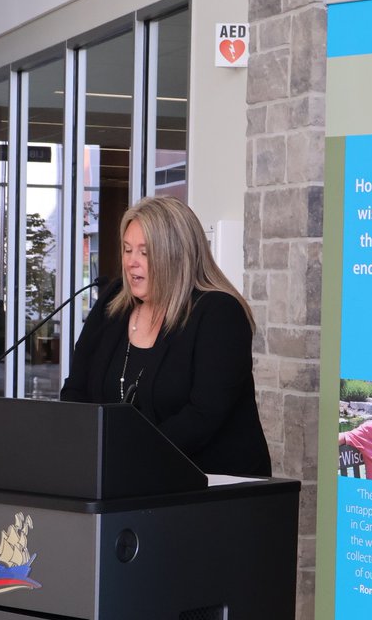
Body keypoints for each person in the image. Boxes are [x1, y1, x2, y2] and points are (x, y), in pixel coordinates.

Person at [60, 196, 271, 476]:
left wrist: (125, 458)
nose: (131, 263)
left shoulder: (219, 313)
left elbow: (203, 416)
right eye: (127, 250)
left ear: (175, 254)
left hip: (210, 486)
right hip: (123, 478)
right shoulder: (113, 302)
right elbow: (76, 390)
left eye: (144, 253)